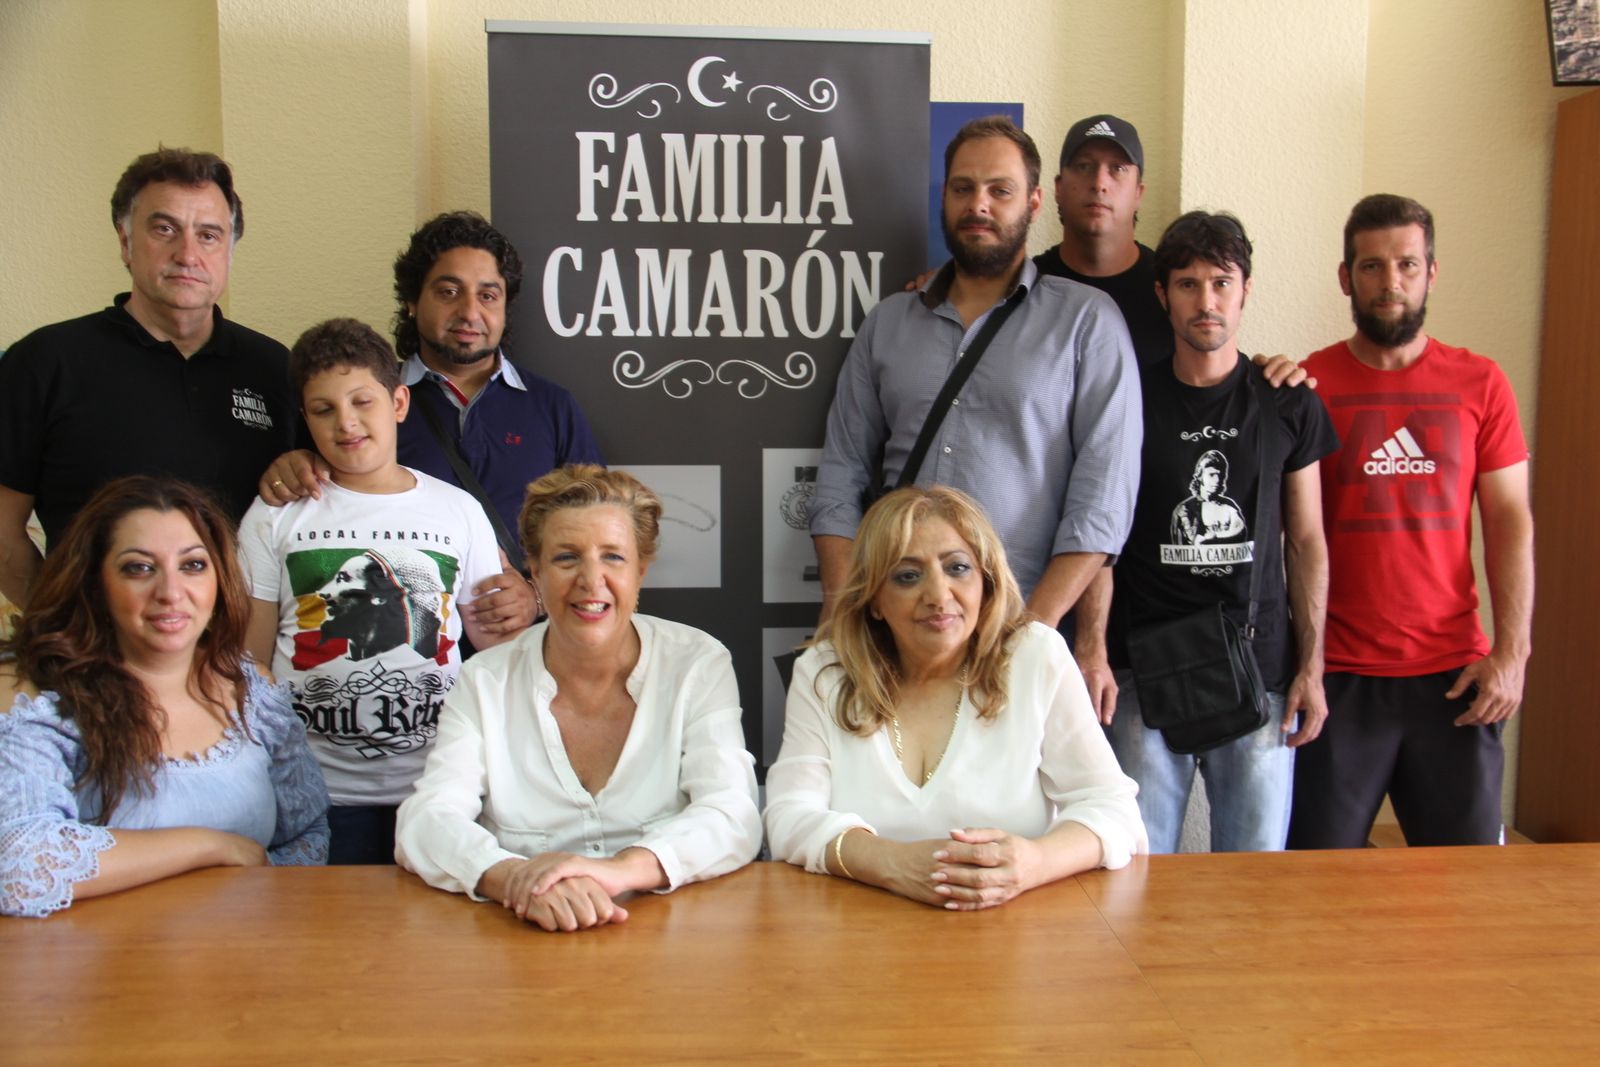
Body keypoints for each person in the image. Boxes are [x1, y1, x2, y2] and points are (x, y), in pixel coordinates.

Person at [395, 465, 761, 932]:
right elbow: (425, 822)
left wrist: (615, 871)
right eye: (567, 558)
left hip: (672, 940)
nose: (592, 581)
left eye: (613, 557)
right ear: (535, 570)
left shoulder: (697, 663)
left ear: (641, 571)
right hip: (524, 938)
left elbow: (732, 814)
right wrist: (514, 879)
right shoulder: (484, 679)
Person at [811, 116, 1141, 631]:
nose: (978, 205)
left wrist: (1034, 633)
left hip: (1020, 622)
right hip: (901, 631)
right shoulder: (887, 324)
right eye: (963, 188)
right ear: (944, 196)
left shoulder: (1086, 322)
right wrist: (841, 607)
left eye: (999, 190)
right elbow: (840, 474)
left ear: (1033, 203)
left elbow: (1103, 500)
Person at [1288, 194, 1534, 849]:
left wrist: (1512, 652)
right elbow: (1294, 536)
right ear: (1346, 278)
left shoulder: (1481, 382)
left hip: (1454, 678)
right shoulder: (1308, 385)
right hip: (1338, 680)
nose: (1390, 281)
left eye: (1406, 264)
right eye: (1371, 266)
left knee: (1463, 895)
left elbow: (1510, 520)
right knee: (1316, 892)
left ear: (1431, 271)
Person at [767, 486, 1145, 909]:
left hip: (1018, 938)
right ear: (874, 599)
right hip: (861, 938)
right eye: (907, 575)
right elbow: (787, 817)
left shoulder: (1035, 656)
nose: (938, 595)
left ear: (986, 581)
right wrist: (891, 863)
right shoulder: (824, 671)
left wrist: (1034, 862)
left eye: (957, 568)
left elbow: (1115, 812)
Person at [1099, 212, 1338, 853]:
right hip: (1145, 674)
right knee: (1135, 869)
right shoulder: (1127, 400)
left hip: (1259, 672)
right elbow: (1101, 535)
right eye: (1187, 285)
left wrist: (1311, 668)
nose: (1206, 302)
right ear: (1162, 294)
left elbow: (1307, 539)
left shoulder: (1288, 402)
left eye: (1221, 283)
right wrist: (1094, 650)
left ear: (1246, 289)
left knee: (1255, 885)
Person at [240, 319, 511, 864]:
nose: (346, 423)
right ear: (305, 419)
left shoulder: (458, 510)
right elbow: (250, 658)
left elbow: (495, 652)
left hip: (439, 789)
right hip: (313, 795)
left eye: (362, 401)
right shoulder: (275, 514)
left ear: (399, 402)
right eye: (323, 410)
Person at [257, 211, 604, 636]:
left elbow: (596, 532)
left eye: (488, 295)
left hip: (521, 658)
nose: (469, 312)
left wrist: (536, 596)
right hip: (395, 652)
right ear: (412, 300)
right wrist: (289, 466)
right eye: (449, 291)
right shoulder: (366, 406)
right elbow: (307, 489)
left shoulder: (552, 408)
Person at [0, 476, 328, 918]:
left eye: (192, 565)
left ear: (219, 577)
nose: (171, 593)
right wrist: (214, 847)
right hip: (103, 976)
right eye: (139, 568)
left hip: (251, 965)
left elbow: (307, 833)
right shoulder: (38, 700)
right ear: (95, 583)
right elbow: (20, 867)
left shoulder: (253, 691)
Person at [0, 148, 297, 608]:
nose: (188, 254)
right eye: (165, 229)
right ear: (125, 241)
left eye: (209, 235)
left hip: (238, 662)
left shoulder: (275, 368)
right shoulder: (45, 362)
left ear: (230, 250)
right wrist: (61, 631)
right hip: (92, 667)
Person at [1033, 114, 1172, 368]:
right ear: (1059, 188)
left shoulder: (1172, 289)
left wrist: (1263, 377)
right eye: (1084, 166)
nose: (1099, 183)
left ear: (1138, 193)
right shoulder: (1025, 287)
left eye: (1117, 169)